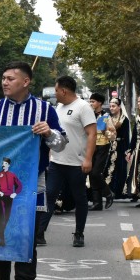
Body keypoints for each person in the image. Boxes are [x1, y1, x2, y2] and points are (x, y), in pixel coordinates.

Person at [0, 61, 65, 280]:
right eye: (3, 78)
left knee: (26, 242)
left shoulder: (44, 109)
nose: (4, 82)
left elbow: (61, 145)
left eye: (10, 78)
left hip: (30, 185)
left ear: (26, 82)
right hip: (0, 187)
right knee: (0, 239)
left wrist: (48, 132)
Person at [38, 75, 96, 248]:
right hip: (57, 162)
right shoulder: (58, 107)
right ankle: (40, 234)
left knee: (80, 198)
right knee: (49, 196)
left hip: (77, 163)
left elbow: (92, 134)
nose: (55, 94)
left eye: (56, 90)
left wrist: (88, 159)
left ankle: (79, 234)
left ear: (63, 90)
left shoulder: (83, 107)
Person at [88, 93, 115, 211]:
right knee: (91, 173)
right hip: (90, 146)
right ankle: (97, 202)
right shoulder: (88, 115)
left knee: (96, 173)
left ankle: (108, 193)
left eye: (93, 101)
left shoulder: (106, 116)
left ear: (100, 103)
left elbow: (113, 135)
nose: (91, 104)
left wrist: (105, 132)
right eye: (90, 101)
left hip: (103, 146)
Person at [0, 158, 23, 247]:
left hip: (9, 198)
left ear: (8, 165)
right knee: (0, 218)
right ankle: (1, 239)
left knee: (6, 218)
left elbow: (19, 185)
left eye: (5, 163)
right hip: (0, 197)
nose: (3, 165)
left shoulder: (12, 175)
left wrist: (15, 193)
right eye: (3, 163)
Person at [108, 97, 131, 199]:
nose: (111, 108)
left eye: (113, 106)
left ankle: (120, 191)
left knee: (120, 168)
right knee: (109, 167)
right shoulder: (108, 118)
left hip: (121, 146)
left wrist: (127, 150)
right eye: (110, 106)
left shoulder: (124, 120)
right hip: (110, 146)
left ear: (119, 107)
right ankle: (109, 190)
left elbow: (126, 136)